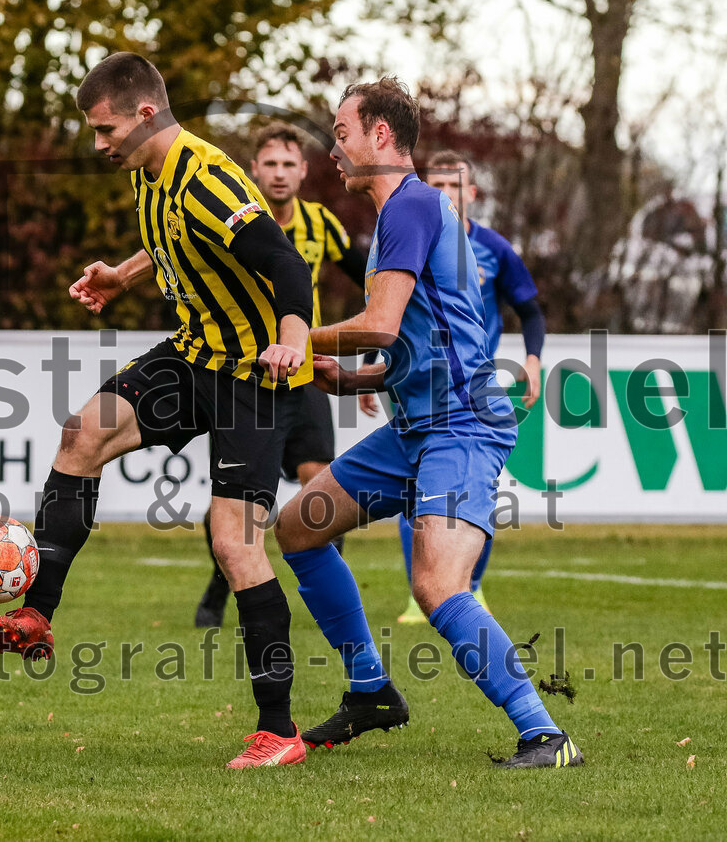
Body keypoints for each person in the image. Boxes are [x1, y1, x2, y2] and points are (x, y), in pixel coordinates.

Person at [0, 52, 315, 769]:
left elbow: (287, 264)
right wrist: (123, 274)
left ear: (144, 113)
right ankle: (38, 611)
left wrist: (292, 340)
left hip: (250, 376)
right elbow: (173, 239)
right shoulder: (147, 171)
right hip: (193, 356)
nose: (98, 143)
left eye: (105, 128)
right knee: (82, 434)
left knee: (235, 545)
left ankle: (280, 731)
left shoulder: (211, 179)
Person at [273, 76, 582, 768]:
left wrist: (296, 339)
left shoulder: (410, 205)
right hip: (417, 426)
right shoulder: (403, 215)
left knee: (438, 584)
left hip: (461, 424)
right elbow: (428, 341)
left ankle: (546, 735)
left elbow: (382, 326)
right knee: (298, 526)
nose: (333, 151)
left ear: (381, 135)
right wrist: (354, 379)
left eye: (342, 133)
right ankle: (371, 692)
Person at [194, 123, 367, 629]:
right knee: (238, 504)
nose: (278, 173)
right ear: (253, 169)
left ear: (304, 171)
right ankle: (219, 585)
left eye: (288, 164)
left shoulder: (320, 223)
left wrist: (377, 347)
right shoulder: (231, 217)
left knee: (323, 486)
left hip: (303, 373)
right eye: (269, 163)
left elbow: (372, 280)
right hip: (243, 376)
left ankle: (324, 588)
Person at [364, 150, 546, 624]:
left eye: (455, 185)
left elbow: (530, 310)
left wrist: (532, 359)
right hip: (414, 382)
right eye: (438, 184)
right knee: (415, 490)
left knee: (472, 495)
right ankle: (420, 591)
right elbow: (387, 307)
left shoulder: (494, 248)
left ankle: (470, 585)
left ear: (473, 193)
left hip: (470, 389)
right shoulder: (411, 233)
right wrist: (366, 365)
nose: (445, 193)